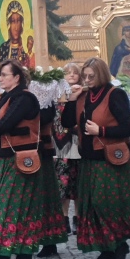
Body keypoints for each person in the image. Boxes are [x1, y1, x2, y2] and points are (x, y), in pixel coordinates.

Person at [62, 57, 130, 259]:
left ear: (102, 75)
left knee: (108, 204)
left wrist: (101, 130)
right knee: (92, 206)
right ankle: (105, 248)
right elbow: (67, 122)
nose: (87, 80)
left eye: (91, 76)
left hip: (109, 161)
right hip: (88, 159)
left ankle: (119, 245)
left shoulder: (115, 94)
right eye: (85, 76)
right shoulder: (83, 96)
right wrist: (71, 100)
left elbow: (128, 127)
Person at [0, 59, 43, 259]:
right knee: (3, 205)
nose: (0, 78)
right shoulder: (5, 98)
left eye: (4, 74)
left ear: (16, 77)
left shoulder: (25, 98)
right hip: (6, 158)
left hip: (20, 159)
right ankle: (15, 256)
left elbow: (3, 125)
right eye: (0, 74)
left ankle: (6, 256)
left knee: (11, 206)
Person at [35, 95, 69, 258]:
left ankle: (49, 241)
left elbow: (45, 118)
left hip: (42, 151)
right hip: (19, 152)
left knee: (45, 196)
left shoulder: (45, 97)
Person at [53, 63, 82, 236]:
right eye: (68, 73)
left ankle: (77, 218)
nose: (71, 75)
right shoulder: (57, 93)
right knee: (62, 183)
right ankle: (63, 218)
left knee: (77, 184)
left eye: (75, 73)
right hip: (60, 145)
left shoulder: (82, 94)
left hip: (77, 143)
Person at [0, 1, 30, 68]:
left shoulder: (25, 47)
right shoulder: (3, 48)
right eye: (13, 21)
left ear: (22, 24)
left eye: (18, 21)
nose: (16, 28)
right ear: (8, 24)